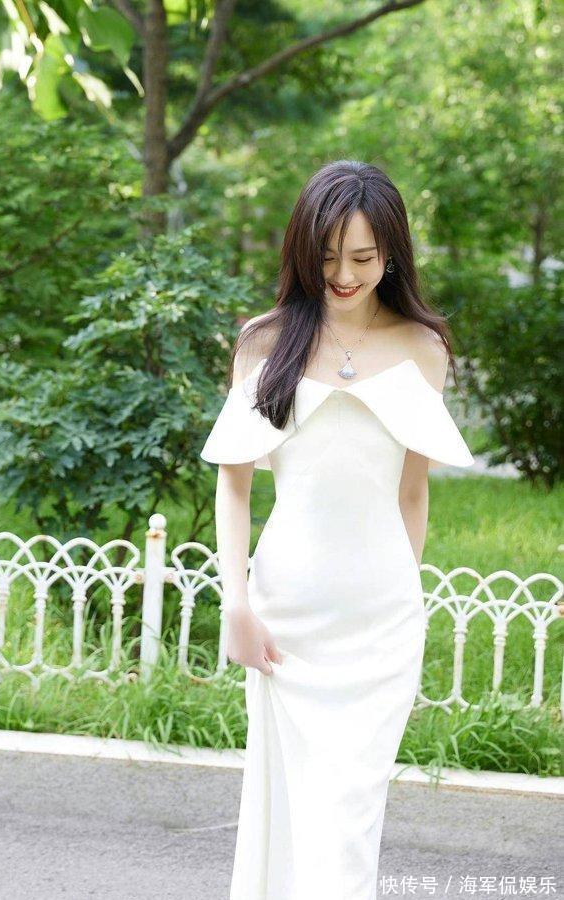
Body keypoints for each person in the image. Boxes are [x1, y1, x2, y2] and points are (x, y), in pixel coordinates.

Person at [199, 159, 474, 900]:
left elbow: (411, 492)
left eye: (362, 257)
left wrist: (405, 597)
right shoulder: (264, 343)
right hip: (286, 615)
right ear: (301, 250)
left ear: (391, 254)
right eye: (326, 258)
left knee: (350, 821)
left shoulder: (423, 347)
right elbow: (234, 481)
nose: (344, 276)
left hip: (380, 621)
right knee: (285, 808)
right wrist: (236, 604)